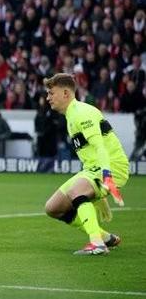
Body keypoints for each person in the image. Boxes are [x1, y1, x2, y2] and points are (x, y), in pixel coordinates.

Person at [43, 73, 129, 255]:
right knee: (53, 208)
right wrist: (97, 192)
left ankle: (97, 244)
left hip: (112, 166)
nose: (48, 98)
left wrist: (106, 176)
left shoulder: (82, 113)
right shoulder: (71, 116)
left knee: (76, 191)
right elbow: (90, 154)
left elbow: (100, 147)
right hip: (93, 169)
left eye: (51, 93)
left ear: (65, 93)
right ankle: (105, 237)